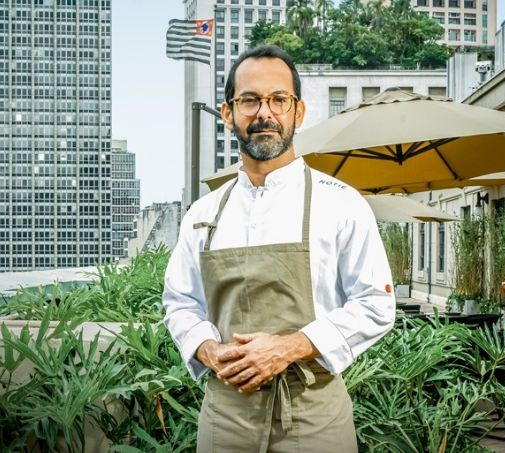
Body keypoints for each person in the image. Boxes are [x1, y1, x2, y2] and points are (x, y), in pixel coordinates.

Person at [163, 45, 396, 453]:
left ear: (298, 112)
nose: (264, 113)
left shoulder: (340, 202)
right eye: (249, 100)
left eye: (278, 100)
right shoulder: (203, 214)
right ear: (228, 113)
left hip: (313, 417)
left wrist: (290, 346)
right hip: (226, 417)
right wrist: (210, 351)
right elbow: (180, 302)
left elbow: (376, 303)